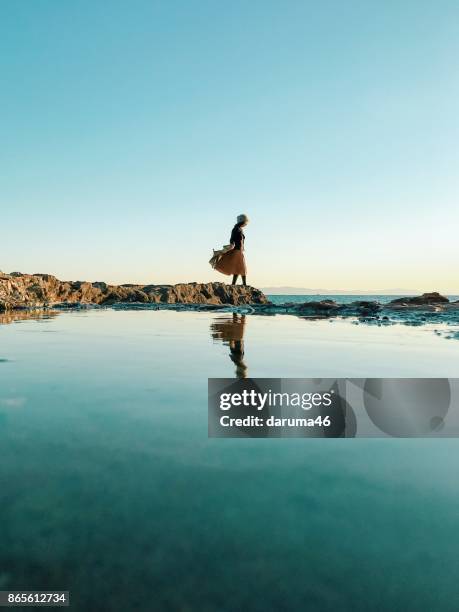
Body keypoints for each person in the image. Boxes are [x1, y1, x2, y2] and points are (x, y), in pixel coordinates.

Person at [214, 214, 249, 285]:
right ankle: (244, 284)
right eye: (245, 222)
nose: (246, 224)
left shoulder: (239, 229)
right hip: (237, 250)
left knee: (238, 268)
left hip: (239, 250)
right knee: (242, 268)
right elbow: (232, 239)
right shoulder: (236, 229)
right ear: (242, 222)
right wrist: (231, 245)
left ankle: (234, 284)